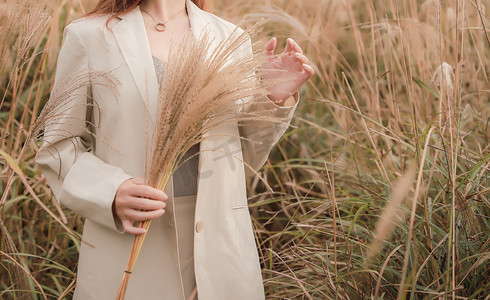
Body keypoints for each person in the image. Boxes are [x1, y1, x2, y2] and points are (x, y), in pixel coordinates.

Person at [34, 0, 314, 299]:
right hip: (134, 238)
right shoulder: (89, 36)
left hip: (219, 242)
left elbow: (243, 155)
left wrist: (271, 99)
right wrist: (110, 191)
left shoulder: (230, 36)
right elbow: (58, 147)